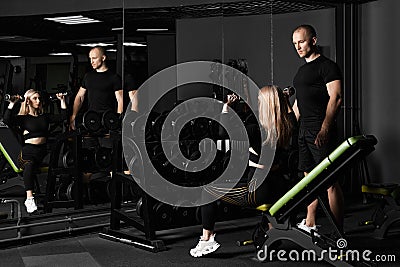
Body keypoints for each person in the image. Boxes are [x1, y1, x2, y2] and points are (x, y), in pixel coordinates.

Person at [189, 85, 296, 257]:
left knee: (207, 192)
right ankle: (270, 236)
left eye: (260, 101)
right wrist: (284, 100)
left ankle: (207, 239)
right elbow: (290, 116)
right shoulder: (288, 127)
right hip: (279, 186)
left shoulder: (255, 130)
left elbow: (222, 132)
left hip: (258, 190)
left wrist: (226, 107)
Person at [291, 24, 344, 233]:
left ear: (313, 40)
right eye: (295, 44)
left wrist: (325, 129)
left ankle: (340, 233)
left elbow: (336, 97)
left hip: (321, 130)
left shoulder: (327, 67)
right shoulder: (301, 71)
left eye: (301, 41)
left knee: (330, 181)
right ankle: (310, 222)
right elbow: (299, 105)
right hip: (304, 131)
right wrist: (288, 126)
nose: (298, 47)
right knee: (308, 178)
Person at [3, 89, 67, 213]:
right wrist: (12, 104)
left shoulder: (45, 117)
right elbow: (6, 121)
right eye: (35, 98)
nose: (38, 101)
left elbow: (63, 117)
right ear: (28, 101)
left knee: (61, 162)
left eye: (39, 98)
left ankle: (53, 195)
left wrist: (62, 101)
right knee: (29, 165)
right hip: (28, 152)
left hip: (42, 152)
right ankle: (29, 198)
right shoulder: (23, 118)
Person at [69, 46, 123, 130]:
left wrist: (118, 120)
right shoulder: (88, 76)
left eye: (94, 58)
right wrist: (74, 115)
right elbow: (79, 97)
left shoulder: (114, 77)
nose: (91, 62)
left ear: (103, 58)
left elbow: (120, 100)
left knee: (107, 143)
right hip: (91, 119)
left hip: (107, 120)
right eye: (90, 58)